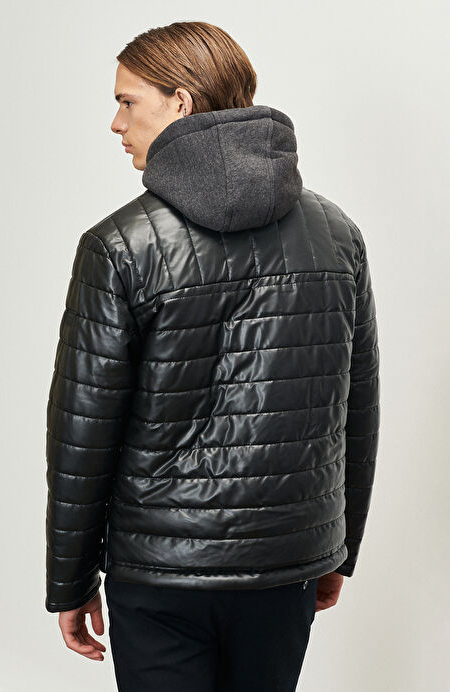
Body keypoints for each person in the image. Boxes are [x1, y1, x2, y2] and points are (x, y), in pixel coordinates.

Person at [44, 21, 380, 692]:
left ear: (181, 102)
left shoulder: (119, 245)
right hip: (286, 562)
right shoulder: (337, 234)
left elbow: (84, 432)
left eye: (128, 101)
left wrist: (69, 581)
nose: (116, 123)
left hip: (159, 570)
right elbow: (357, 407)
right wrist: (337, 548)